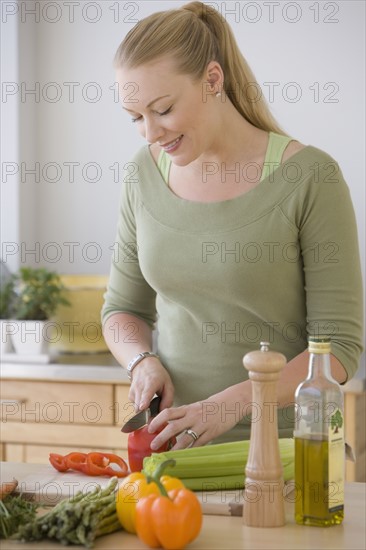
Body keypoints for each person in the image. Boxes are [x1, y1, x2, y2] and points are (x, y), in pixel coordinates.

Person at [102, 1, 363, 451]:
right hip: (176, 452)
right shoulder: (141, 175)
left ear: (212, 80)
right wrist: (141, 361)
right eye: (135, 118)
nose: (150, 133)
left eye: (162, 109)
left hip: (289, 454)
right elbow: (122, 310)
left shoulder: (311, 177)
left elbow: (338, 349)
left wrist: (229, 405)